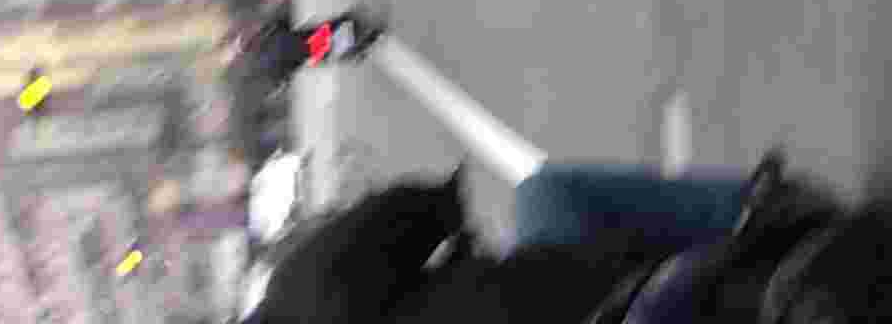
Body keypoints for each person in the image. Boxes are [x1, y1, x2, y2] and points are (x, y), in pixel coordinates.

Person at [244, 162, 807, 324]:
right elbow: (400, 214)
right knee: (550, 192)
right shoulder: (297, 291)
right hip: (567, 298)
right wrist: (446, 212)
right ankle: (749, 207)